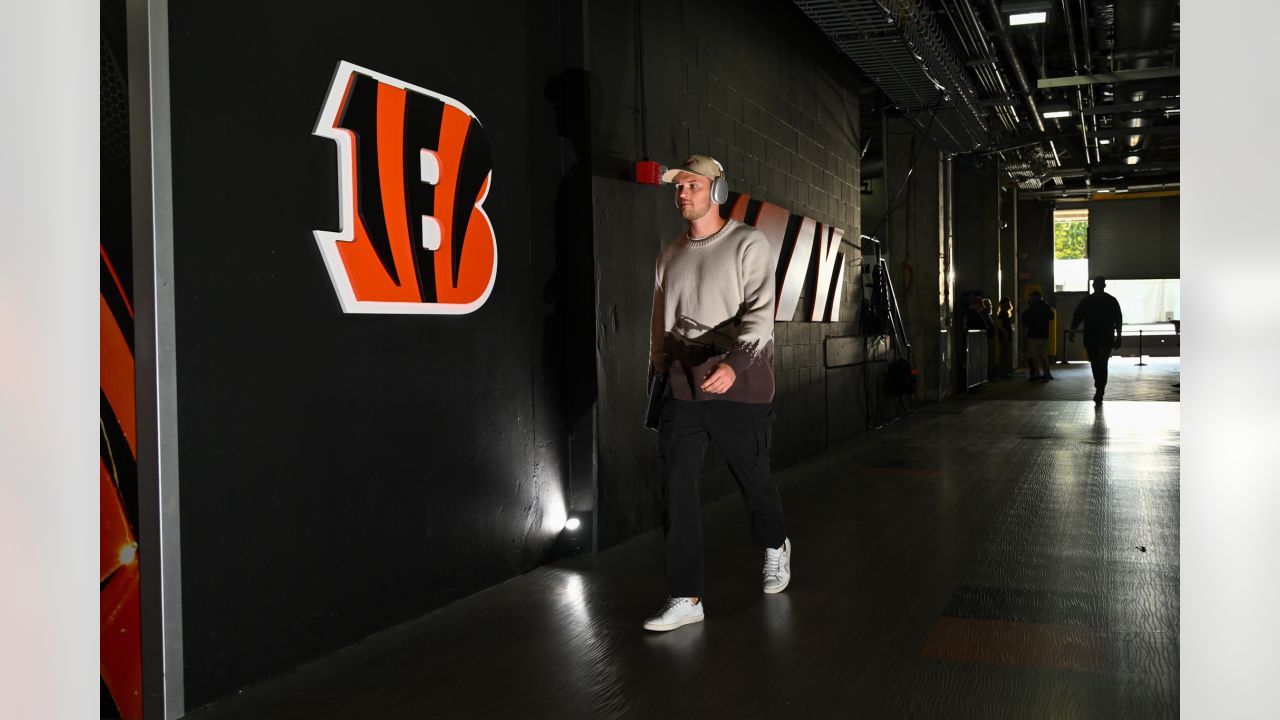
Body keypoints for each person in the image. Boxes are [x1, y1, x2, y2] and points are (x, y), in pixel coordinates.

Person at [643, 154, 790, 632]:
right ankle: (685, 596)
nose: (682, 194)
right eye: (678, 187)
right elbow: (659, 323)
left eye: (692, 185)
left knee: (754, 482)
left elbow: (761, 313)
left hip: (739, 387)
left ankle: (775, 544)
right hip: (682, 392)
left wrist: (734, 363)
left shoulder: (748, 242)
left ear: (717, 191)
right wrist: (657, 370)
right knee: (676, 489)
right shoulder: (669, 254)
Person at [1069, 276, 1124, 406]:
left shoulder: (1090, 301)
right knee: (1096, 363)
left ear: (1103, 286)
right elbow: (1078, 316)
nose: (1097, 287)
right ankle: (1099, 387)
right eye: (1096, 285)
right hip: (1098, 336)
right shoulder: (1108, 301)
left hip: (1101, 337)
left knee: (1101, 363)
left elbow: (1118, 319)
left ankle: (1100, 389)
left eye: (1098, 285)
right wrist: (1072, 331)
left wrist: (1119, 335)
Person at [1021, 291, 1055, 382]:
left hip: (1033, 336)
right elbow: (1052, 316)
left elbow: (1024, 319)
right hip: (1044, 335)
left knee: (1034, 356)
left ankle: (1037, 374)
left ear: (1034, 298)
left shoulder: (1031, 309)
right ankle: (1046, 373)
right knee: (1044, 355)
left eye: (1031, 297)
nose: (1030, 299)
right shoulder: (1046, 307)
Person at [994, 297, 1014, 379]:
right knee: (1004, 355)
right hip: (1004, 337)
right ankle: (1003, 373)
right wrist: (1005, 333)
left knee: (1006, 355)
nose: (1009, 304)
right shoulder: (1002, 313)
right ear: (1005, 303)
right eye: (1008, 302)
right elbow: (999, 324)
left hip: (1006, 337)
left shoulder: (1004, 313)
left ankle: (1005, 372)